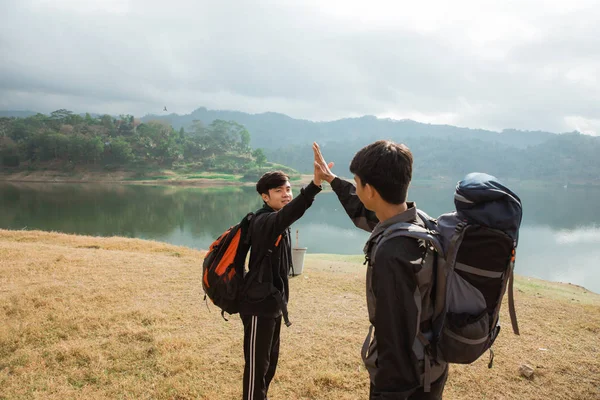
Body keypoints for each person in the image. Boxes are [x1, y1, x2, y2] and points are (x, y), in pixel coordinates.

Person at [313, 141, 448, 399]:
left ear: (371, 190)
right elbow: (361, 208)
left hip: (408, 383)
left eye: (356, 181)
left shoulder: (392, 253)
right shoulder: (417, 222)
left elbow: (395, 335)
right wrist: (332, 179)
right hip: (432, 365)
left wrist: (387, 391)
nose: (355, 186)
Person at [239, 168, 322, 400]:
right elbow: (290, 214)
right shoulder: (265, 220)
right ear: (265, 197)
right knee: (257, 370)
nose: (286, 194)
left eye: (288, 189)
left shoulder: (277, 220)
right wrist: (314, 185)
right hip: (258, 307)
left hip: (273, 305)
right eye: (279, 191)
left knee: (268, 366)